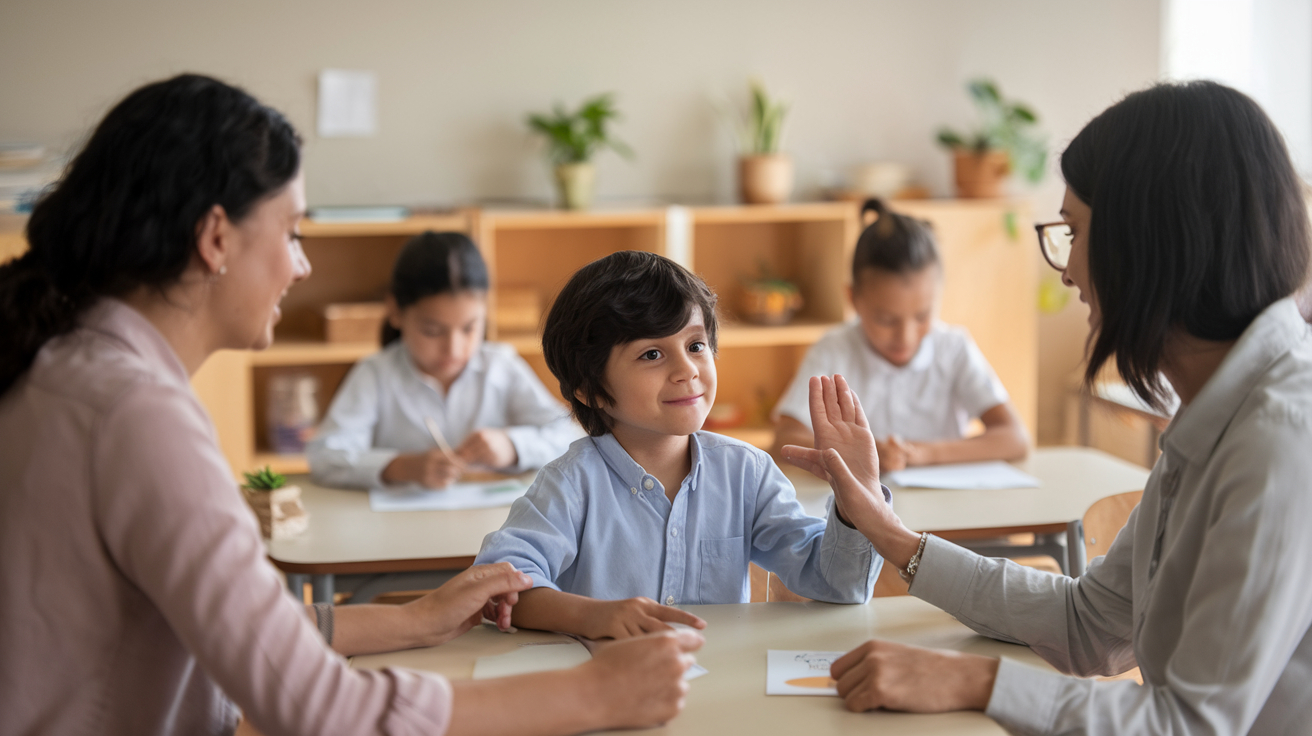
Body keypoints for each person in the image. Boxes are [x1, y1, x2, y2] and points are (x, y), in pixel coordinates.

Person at [0, 73, 701, 736]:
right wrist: (588, 693)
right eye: (293, 233)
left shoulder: (76, 369)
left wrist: (416, 619)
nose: (301, 265)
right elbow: (316, 708)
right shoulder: (135, 416)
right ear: (216, 239)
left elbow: (250, 630)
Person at [782, 80, 1312, 733]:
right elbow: (1088, 622)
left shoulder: (1283, 437)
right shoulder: (1217, 413)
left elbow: (1193, 724)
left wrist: (975, 682)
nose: (1064, 268)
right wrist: (887, 530)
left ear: (1147, 243)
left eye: (1075, 232)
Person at [473, 250, 885, 640]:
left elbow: (839, 586)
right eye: (652, 354)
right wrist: (594, 615)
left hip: (717, 687)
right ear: (590, 390)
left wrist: (857, 499)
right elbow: (496, 586)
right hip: (605, 685)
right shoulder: (571, 484)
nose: (687, 370)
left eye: (695, 345)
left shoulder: (747, 474)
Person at [307, 231, 580, 489]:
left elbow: (570, 436)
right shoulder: (375, 374)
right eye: (432, 331)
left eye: (469, 328)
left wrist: (512, 446)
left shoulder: (501, 366)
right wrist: (401, 467)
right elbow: (324, 457)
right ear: (395, 311)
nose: (454, 348)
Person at [771, 199, 1028, 471]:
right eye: (886, 319)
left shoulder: (954, 348)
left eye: (921, 316)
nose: (905, 337)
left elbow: (1015, 438)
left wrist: (921, 454)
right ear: (853, 299)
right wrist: (856, 454)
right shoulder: (833, 350)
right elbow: (784, 441)